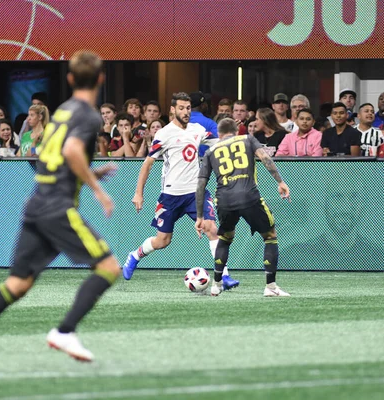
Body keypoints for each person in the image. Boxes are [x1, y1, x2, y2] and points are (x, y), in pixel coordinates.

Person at [0, 50, 121, 371]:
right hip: (58, 207)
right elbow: (70, 151)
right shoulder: (89, 115)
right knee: (109, 267)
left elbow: (54, 158)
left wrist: (91, 174)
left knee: (18, 284)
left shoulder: (64, 111)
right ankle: (64, 331)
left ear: (69, 79)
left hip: (37, 202)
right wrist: (98, 190)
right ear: (100, 79)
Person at [122, 92, 240, 290]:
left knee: (211, 227)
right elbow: (148, 164)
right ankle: (134, 256)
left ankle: (224, 276)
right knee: (162, 240)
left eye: (188, 108)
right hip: (171, 196)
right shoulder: (164, 134)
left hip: (196, 193)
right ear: (173, 110)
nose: (186, 112)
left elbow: (219, 142)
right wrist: (138, 193)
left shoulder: (198, 129)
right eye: (182, 108)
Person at [195, 118, 291, 297]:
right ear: (237, 130)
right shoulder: (247, 139)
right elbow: (264, 157)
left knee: (225, 237)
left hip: (223, 200)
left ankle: (216, 284)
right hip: (248, 196)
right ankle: (270, 287)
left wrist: (200, 216)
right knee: (270, 236)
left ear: (219, 133)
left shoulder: (210, 151)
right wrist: (280, 181)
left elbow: (200, 185)